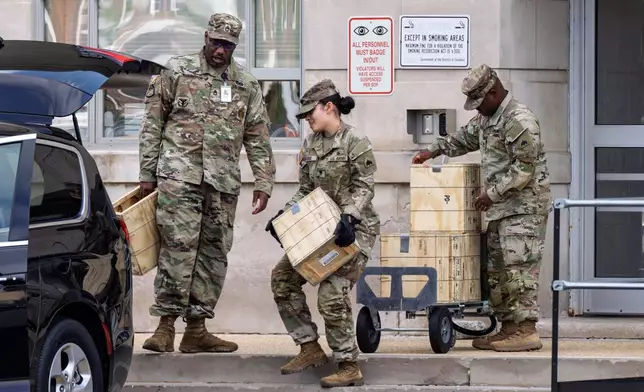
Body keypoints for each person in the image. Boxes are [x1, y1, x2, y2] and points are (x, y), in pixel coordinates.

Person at [138, 13, 276, 354]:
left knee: (213, 254)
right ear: (206, 37)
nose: (220, 50)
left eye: (228, 46)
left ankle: (197, 329)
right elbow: (153, 123)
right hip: (178, 179)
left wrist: (264, 181)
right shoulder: (177, 71)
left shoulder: (245, 84)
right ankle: (165, 327)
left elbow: (257, 136)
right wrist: (146, 173)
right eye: (216, 43)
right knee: (177, 248)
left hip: (222, 183)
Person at [412, 64, 552, 352]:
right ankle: (509, 328)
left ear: (494, 91)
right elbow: (464, 138)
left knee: (518, 271)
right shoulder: (489, 120)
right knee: (498, 272)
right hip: (501, 210)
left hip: (523, 211)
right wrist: (433, 151)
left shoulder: (519, 120)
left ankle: (526, 330)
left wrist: (492, 193)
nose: (477, 108)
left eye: (479, 101)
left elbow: (525, 169)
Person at [265, 79, 380, 388]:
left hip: (353, 232)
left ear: (329, 107)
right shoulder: (311, 145)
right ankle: (310, 347)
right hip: (319, 230)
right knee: (282, 279)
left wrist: (349, 217)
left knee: (331, 292)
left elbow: (365, 186)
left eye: (309, 114)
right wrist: (282, 216)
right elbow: (305, 190)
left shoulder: (356, 141)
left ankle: (347, 364)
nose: (306, 120)